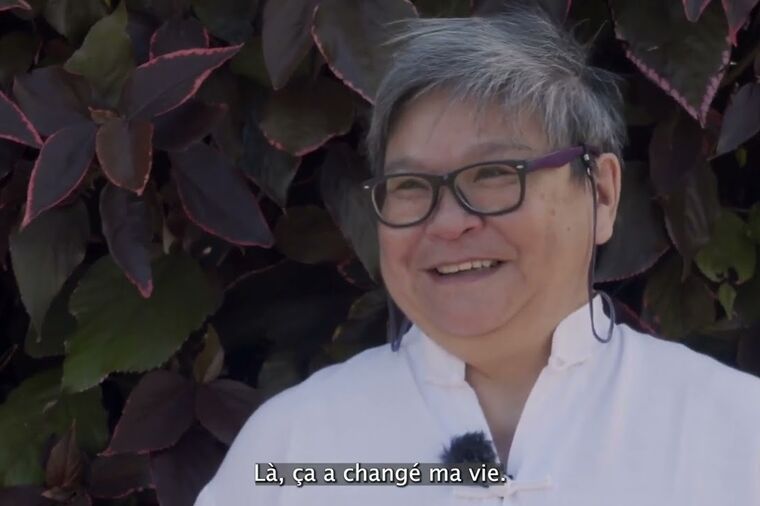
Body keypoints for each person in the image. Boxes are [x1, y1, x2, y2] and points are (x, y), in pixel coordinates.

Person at [194, 5, 760, 505]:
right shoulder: (293, 450)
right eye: (410, 185)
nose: (448, 223)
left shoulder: (734, 435)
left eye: (494, 174)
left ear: (602, 194)